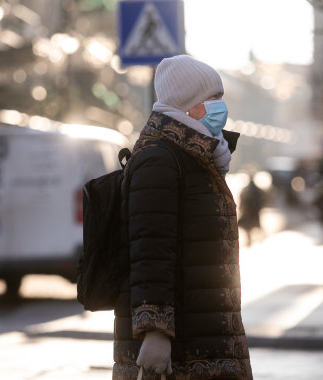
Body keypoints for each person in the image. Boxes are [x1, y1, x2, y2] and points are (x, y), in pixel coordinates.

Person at [113, 55, 253, 379]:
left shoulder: (196, 156)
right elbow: (151, 250)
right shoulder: (159, 159)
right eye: (213, 99)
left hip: (204, 336)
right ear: (188, 105)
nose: (221, 106)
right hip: (182, 351)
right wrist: (155, 332)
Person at [238, 173, 266, 246]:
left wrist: (241, 208)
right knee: (255, 225)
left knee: (249, 226)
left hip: (249, 211)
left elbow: (242, 199)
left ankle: (254, 240)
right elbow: (263, 197)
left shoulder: (246, 189)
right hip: (254, 211)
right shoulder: (256, 188)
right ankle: (260, 239)